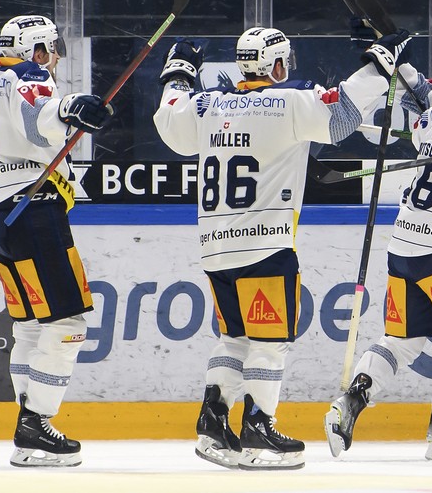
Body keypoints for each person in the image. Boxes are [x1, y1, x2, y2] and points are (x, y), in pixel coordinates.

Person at [153, 26, 410, 470]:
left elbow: (171, 123)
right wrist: (379, 63)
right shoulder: (287, 102)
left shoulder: (206, 104)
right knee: (269, 343)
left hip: (216, 247)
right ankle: (258, 428)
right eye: (284, 61)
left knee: (233, 337)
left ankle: (213, 422)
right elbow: (342, 117)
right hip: (266, 246)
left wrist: (178, 73)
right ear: (275, 64)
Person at [325, 64, 432, 462]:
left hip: (404, 245)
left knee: (403, 341)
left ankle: (351, 398)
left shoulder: (427, 122)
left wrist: (397, 64)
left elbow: (424, 96)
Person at [0, 14, 114, 467]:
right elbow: (40, 118)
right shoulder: (29, 73)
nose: (53, 59)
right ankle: (37, 421)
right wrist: (72, 107)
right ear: (36, 50)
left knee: (31, 325)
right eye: (50, 49)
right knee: (69, 321)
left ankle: (26, 428)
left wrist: (70, 111)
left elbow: (26, 119)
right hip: (33, 207)